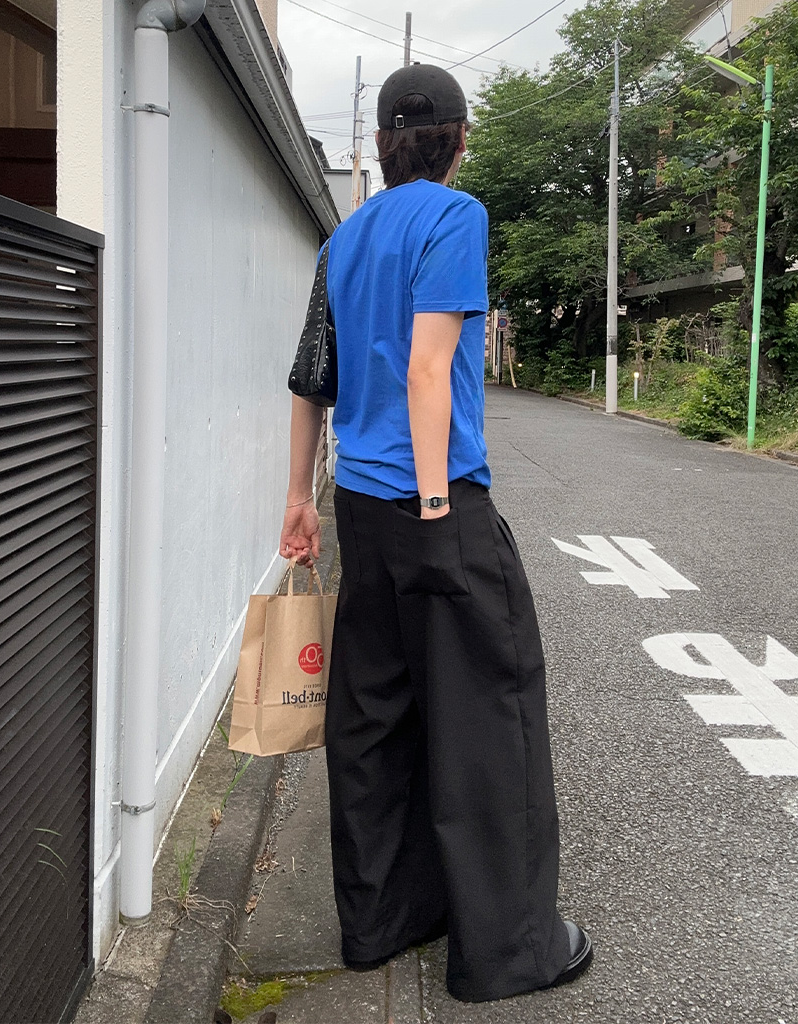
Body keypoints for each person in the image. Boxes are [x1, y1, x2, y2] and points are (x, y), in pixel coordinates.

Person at [279, 63, 593, 1004]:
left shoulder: (343, 239)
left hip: (357, 511)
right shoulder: (457, 216)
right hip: (436, 504)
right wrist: (433, 503)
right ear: (458, 139)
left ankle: (381, 922)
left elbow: (311, 378)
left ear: (382, 145)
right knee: (491, 711)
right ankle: (512, 951)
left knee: (374, 716)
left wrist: (297, 498)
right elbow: (428, 369)